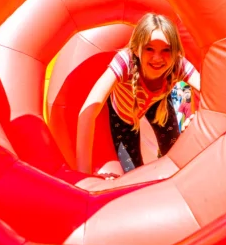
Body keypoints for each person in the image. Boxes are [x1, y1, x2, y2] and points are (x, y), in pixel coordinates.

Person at [77, 13, 201, 176]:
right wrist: (83, 174)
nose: (157, 58)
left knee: (176, 157)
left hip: (158, 104)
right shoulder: (125, 62)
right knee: (133, 173)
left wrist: (197, 118)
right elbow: (88, 111)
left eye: (166, 50)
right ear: (136, 49)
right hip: (123, 115)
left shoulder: (177, 64)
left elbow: (212, 94)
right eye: (149, 48)